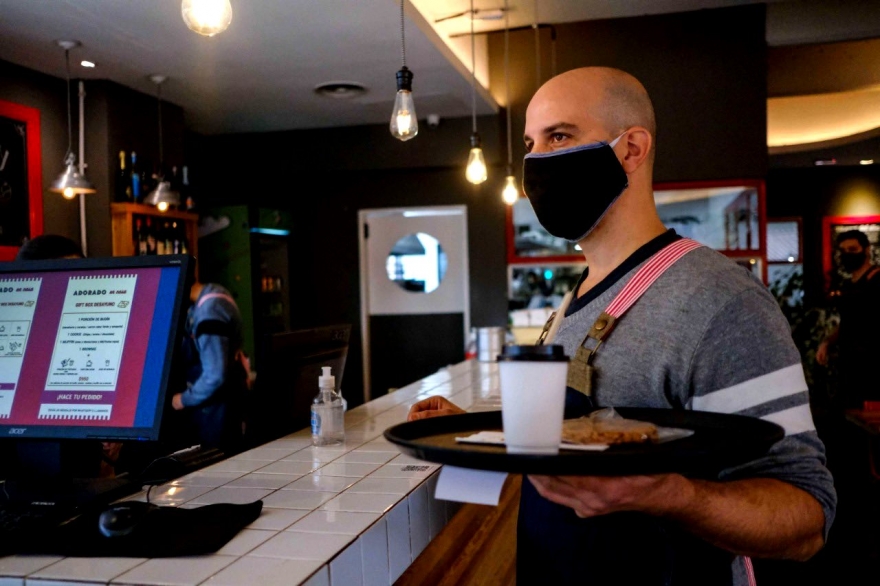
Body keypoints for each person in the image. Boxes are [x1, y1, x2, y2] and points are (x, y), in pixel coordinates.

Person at [408, 66, 836, 585]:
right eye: (530, 143)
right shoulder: (578, 297)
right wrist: (483, 434)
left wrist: (672, 495)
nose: (536, 162)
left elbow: (806, 514)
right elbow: (574, 448)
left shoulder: (721, 302)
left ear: (631, 149)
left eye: (560, 136)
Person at [170, 280, 248, 453]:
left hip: (215, 408)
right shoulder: (215, 294)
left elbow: (215, 374)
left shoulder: (209, 313)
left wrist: (182, 400)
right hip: (217, 404)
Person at [816, 229, 880, 409]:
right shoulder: (848, 285)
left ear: (866, 250)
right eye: (843, 251)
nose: (847, 255)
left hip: (872, 371)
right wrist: (827, 342)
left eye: (852, 250)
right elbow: (849, 321)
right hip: (850, 368)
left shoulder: (877, 281)